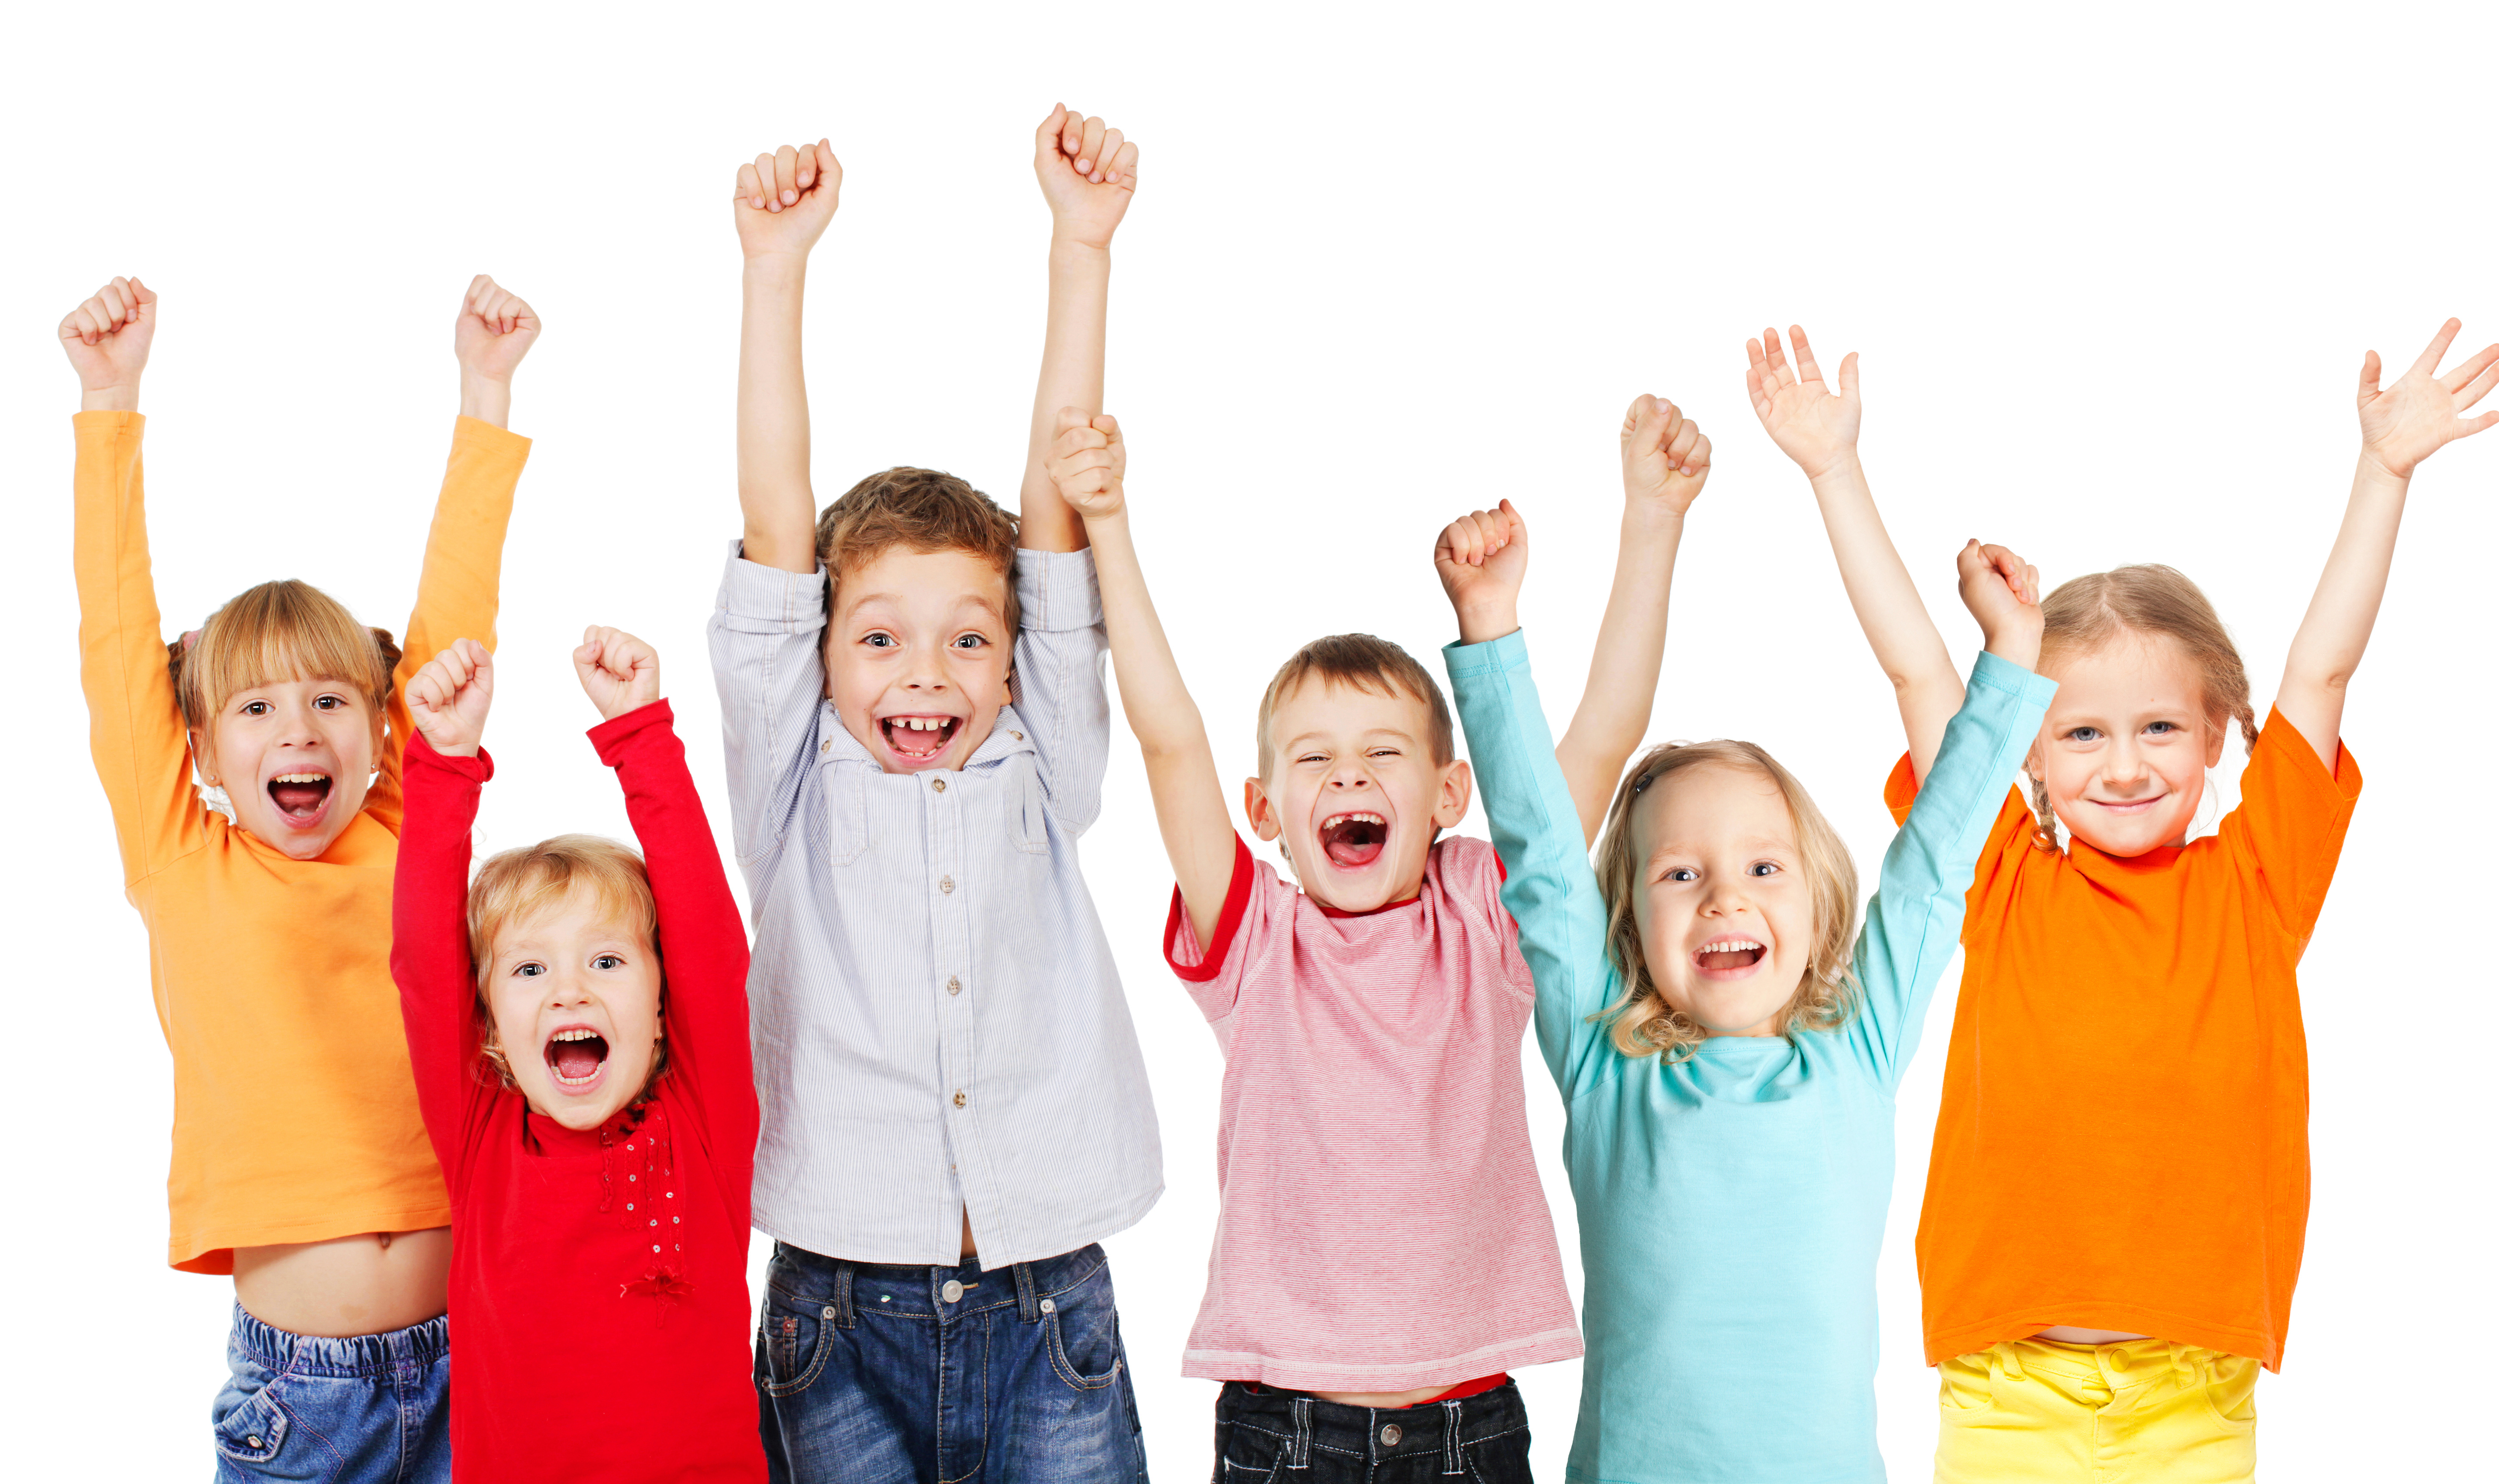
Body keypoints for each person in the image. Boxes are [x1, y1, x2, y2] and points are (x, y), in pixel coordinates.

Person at [1802, 319, 2499, 1483]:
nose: (2122, 766)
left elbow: (2320, 670)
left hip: (2192, 1391)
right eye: (2080, 732)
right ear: (2024, 748)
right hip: (2005, 1385)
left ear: (2220, 731)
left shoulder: (2257, 879)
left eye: (2158, 729)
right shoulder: (1994, 875)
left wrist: (2381, 473)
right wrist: (1836, 471)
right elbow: (1918, 676)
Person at [1049, 392, 1712, 1478]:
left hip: (1470, 1426)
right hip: (1284, 1429)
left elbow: (1599, 736)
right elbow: (1170, 742)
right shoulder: (1255, 936)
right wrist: (1111, 525)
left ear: (1450, 790)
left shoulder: (1483, 917)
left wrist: (1653, 520)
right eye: (1311, 758)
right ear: (1263, 810)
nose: (1347, 774)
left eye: (1380, 754)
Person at [1442, 326, 2054, 1481]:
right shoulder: (1606, 1060)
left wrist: (2010, 662)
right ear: (1629, 928)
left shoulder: (1856, 1049)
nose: (1724, 892)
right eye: (1680, 873)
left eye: (1763, 868)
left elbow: (1933, 865)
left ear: (1820, 911)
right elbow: (1535, 857)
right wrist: (1491, 631)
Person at [716, 108, 1158, 1483]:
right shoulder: (792, 775)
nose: (928, 671)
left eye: (968, 637)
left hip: (1048, 1300)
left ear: (1016, 661)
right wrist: (773, 271)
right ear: (822, 651)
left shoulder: (1041, 756)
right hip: (836, 1306)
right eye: (880, 636)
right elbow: (779, 515)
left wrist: (1079, 249)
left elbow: (1052, 527)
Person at [66, 271, 538, 1481]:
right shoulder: (183, 861)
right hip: (304, 1398)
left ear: (378, 726)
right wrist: (109, 407)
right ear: (202, 748)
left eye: (333, 700)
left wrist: (484, 395)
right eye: (259, 708)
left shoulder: (403, 827)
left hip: (481, 1363)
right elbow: (120, 645)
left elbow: (448, 642)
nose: (300, 731)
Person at [392, 629, 763, 1481]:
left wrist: (642, 738)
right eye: (530, 968)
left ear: (663, 1009)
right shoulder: (483, 1135)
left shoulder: (704, 1126)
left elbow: (708, 940)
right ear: (489, 1021)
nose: (570, 991)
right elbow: (423, 964)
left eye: (605, 960)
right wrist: (446, 764)